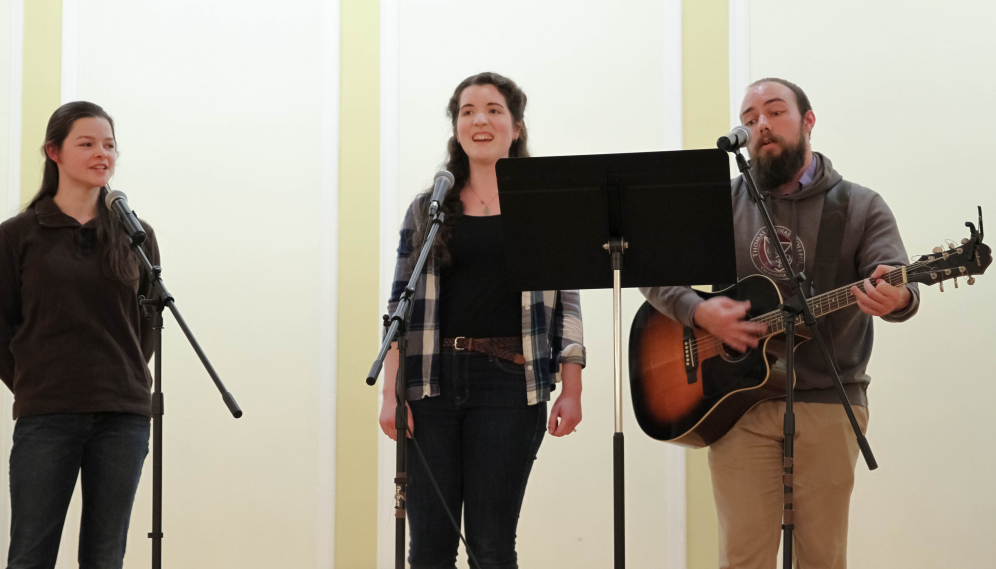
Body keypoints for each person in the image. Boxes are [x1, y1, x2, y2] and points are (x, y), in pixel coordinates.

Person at [641, 78, 918, 569]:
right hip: (737, 406)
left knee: (822, 557)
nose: (760, 126)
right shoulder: (721, 202)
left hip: (829, 399)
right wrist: (698, 311)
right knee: (743, 556)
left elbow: (898, 285)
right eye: (749, 119)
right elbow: (649, 268)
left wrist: (897, 296)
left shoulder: (860, 206)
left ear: (808, 121)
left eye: (773, 112)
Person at [378, 72, 585, 569]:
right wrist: (390, 393)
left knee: (491, 546)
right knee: (428, 548)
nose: (480, 120)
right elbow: (397, 306)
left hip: (511, 384)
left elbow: (569, 304)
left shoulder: (543, 208)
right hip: (431, 386)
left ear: (516, 127)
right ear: (456, 129)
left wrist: (572, 388)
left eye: (493, 110)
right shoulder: (428, 209)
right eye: (467, 111)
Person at [0, 101, 159, 568]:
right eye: (86, 144)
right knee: (31, 553)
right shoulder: (17, 236)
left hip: (123, 416)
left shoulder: (137, 235)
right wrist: (34, 380)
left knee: (105, 555)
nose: (101, 154)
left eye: (109, 145)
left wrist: (124, 372)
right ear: (54, 152)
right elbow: (1, 324)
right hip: (47, 414)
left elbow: (148, 321)